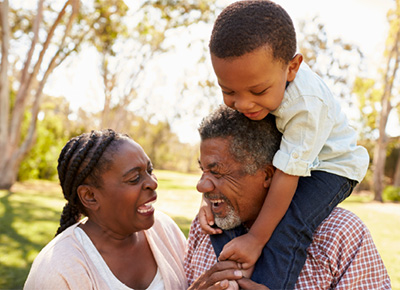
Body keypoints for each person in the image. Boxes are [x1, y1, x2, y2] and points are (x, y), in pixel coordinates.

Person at [199, 1, 370, 289]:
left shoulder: (305, 106)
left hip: (331, 167)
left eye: (257, 91)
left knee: (290, 225)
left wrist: (256, 239)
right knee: (232, 217)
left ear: (292, 68)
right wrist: (212, 197)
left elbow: (287, 176)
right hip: (292, 161)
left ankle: (268, 284)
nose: (242, 104)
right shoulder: (259, 87)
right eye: (228, 91)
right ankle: (234, 278)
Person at [186, 105, 391, 289]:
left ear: (268, 174)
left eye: (217, 172)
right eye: (202, 170)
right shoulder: (204, 226)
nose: (200, 185)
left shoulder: (340, 234)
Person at [24, 129, 187, 289]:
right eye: (134, 178)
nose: (153, 183)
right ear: (90, 196)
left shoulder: (165, 228)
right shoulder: (57, 270)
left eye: (149, 171)